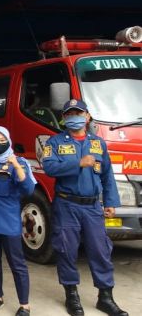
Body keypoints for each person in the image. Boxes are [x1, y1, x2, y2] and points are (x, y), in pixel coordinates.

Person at [41, 99, 127, 316]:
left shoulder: (98, 143)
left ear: (87, 116)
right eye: (69, 114)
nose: (74, 117)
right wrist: (78, 163)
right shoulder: (54, 143)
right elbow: (49, 167)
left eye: (78, 113)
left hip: (92, 207)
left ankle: (105, 298)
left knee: (100, 250)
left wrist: (111, 202)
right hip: (66, 204)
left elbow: (107, 175)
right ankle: (72, 296)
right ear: (64, 118)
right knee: (66, 250)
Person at [0, 126, 35, 316]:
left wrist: (16, 166)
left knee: (17, 264)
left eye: (2, 140)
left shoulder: (19, 162)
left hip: (9, 221)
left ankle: (24, 305)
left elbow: (28, 190)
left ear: (9, 140)